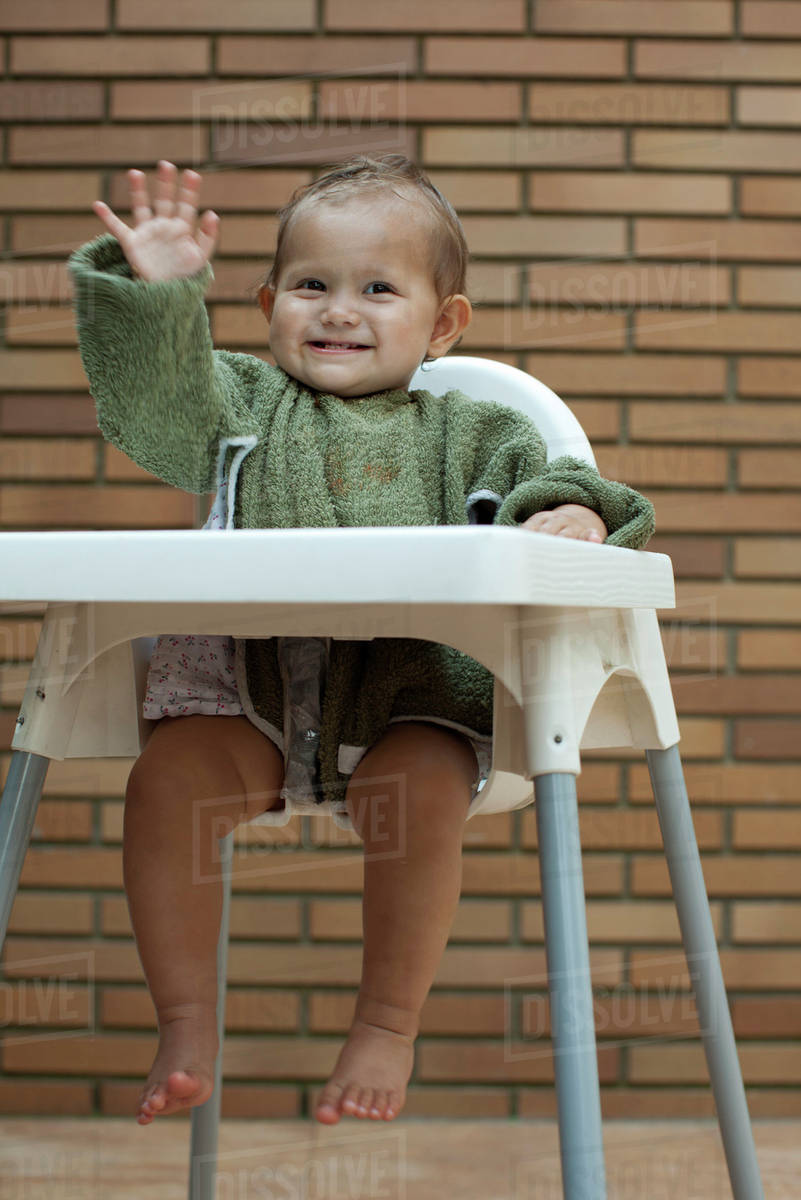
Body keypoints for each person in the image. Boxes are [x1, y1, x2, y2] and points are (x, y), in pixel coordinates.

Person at [67, 155, 654, 1128]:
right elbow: (156, 408)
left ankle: (387, 1023)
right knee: (164, 780)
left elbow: (547, 479)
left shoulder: (472, 429)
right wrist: (160, 301)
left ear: (444, 323)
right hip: (250, 699)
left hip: (406, 700)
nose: (340, 310)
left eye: (379, 288)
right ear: (266, 305)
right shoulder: (240, 411)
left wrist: (565, 516)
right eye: (312, 286)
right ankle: (184, 1021)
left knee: (412, 789)